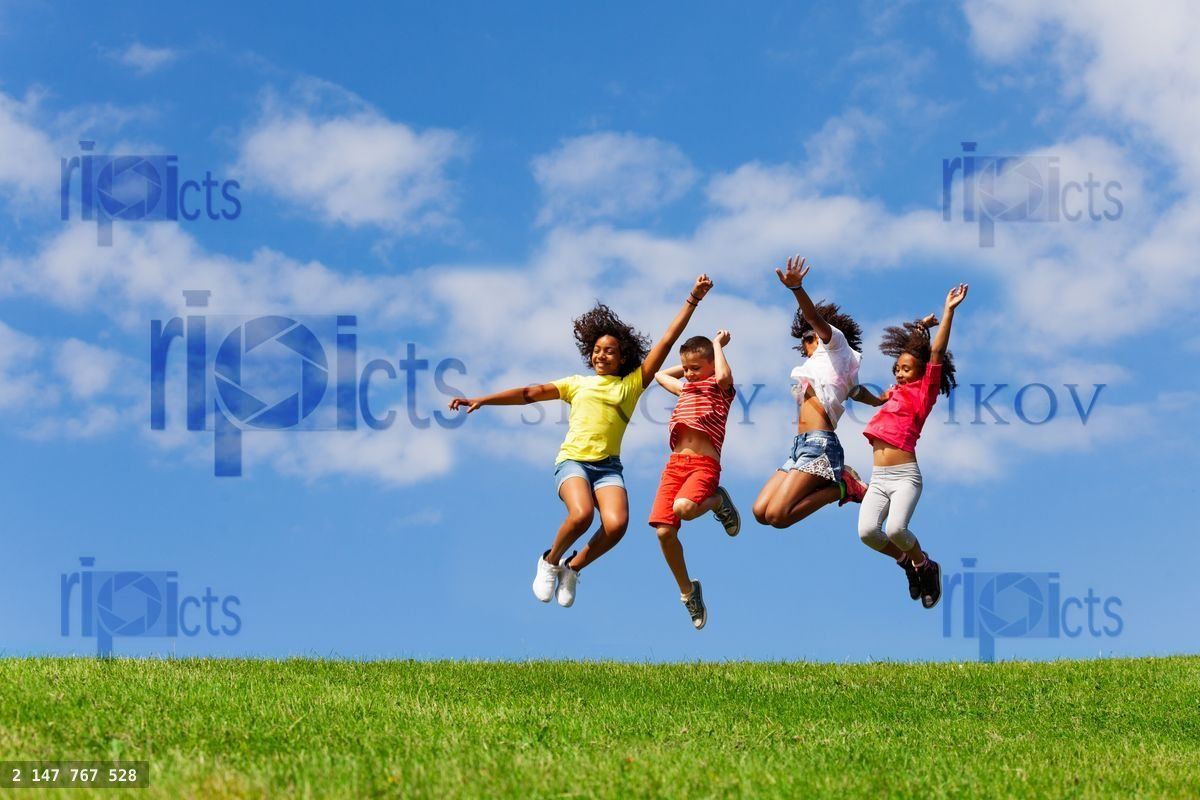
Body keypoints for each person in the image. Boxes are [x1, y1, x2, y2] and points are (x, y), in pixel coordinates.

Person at [448, 275, 715, 607]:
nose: (601, 356)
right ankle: (549, 561)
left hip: (608, 468)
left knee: (617, 525)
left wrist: (693, 298)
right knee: (582, 515)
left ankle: (572, 567)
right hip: (573, 461)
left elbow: (667, 339)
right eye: (597, 351)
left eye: (610, 352)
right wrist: (482, 400)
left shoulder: (631, 385)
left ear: (623, 358)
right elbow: (529, 393)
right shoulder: (576, 384)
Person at [851, 283, 969, 609]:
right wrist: (920, 328)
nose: (900, 373)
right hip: (878, 479)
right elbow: (915, 349)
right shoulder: (892, 395)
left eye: (906, 369)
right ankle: (907, 562)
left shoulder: (924, 392)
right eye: (897, 369)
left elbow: (934, 353)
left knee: (896, 528)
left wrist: (947, 312)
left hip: (904, 476)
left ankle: (926, 566)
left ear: (920, 373)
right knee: (867, 533)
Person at [752, 255, 869, 530]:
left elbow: (813, 316)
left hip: (821, 445)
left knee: (778, 517)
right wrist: (881, 399)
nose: (807, 343)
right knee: (760, 511)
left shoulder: (837, 345)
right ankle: (840, 483)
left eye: (810, 336)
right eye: (804, 340)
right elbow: (858, 392)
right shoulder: (832, 369)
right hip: (799, 446)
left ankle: (843, 487)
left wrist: (796, 289)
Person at [650, 330, 740, 630]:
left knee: (684, 509)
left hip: (703, 465)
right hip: (674, 465)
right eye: (686, 369)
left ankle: (717, 500)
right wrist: (687, 364)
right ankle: (688, 592)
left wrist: (716, 347)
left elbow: (725, 374)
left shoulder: (719, 388)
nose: (688, 374)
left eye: (694, 369)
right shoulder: (685, 390)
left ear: (711, 365)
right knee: (664, 532)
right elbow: (661, 374)